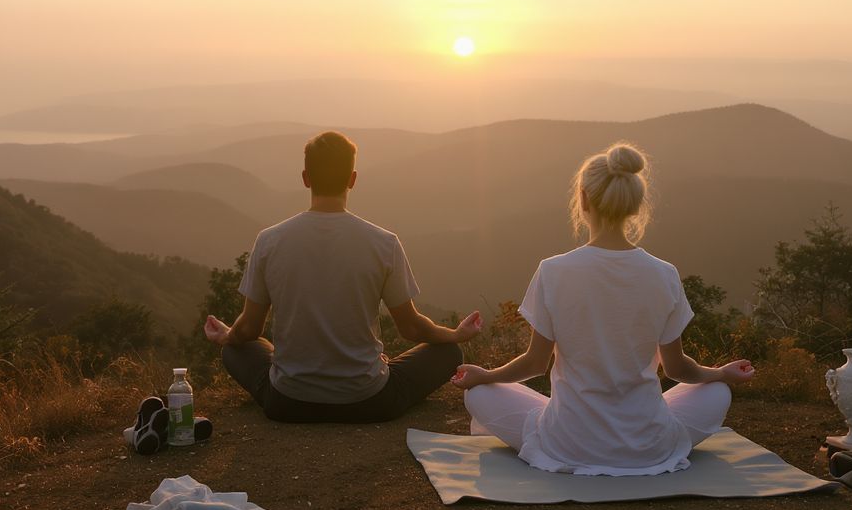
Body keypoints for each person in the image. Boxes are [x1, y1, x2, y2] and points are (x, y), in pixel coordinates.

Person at [452, 142, 755, 475]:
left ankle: (570, 432)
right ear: (635, 205)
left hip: (568, 443)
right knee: (717, 391)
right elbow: (677, 368)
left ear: (583, 199)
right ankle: (646, 435)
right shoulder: (664, 274)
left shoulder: (553, 271)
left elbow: (535, 363)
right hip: (648, 446)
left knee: (479, 394)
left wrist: (487, 376)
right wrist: (721, 373)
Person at [202, 130, 482, 423]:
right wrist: (455, 335)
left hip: (287, 402)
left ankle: (293, 375)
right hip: (370, 401)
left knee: (235, 350)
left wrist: (227, 336)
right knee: (449, 354)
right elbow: (411, 328)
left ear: (305, 178)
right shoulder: (383, 243)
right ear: (352, 179)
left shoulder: (269, 241)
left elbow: (249, 329)